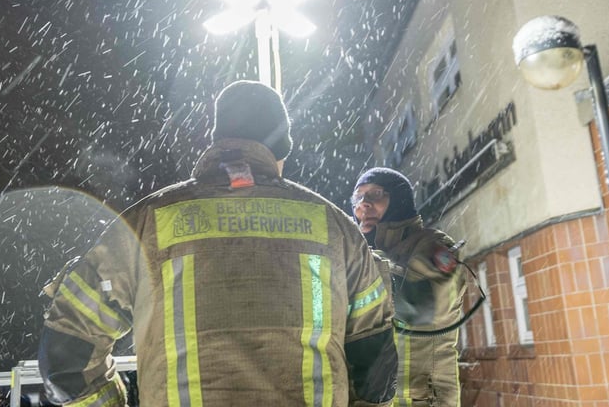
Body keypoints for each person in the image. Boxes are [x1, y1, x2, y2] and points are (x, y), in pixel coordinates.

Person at [38, 81, 398, 407]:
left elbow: (65, 361)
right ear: (281, 149)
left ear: (217, 139)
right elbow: (375, 368)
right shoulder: (336, 229)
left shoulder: (147, 224)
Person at [350, 168, 465, 407]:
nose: (364, 204)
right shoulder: (358, 255)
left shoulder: (435, 246)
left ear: (399, 200)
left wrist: (357, 260)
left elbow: (420, 306)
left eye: (376, 194)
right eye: (358, 197)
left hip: (421, 398)